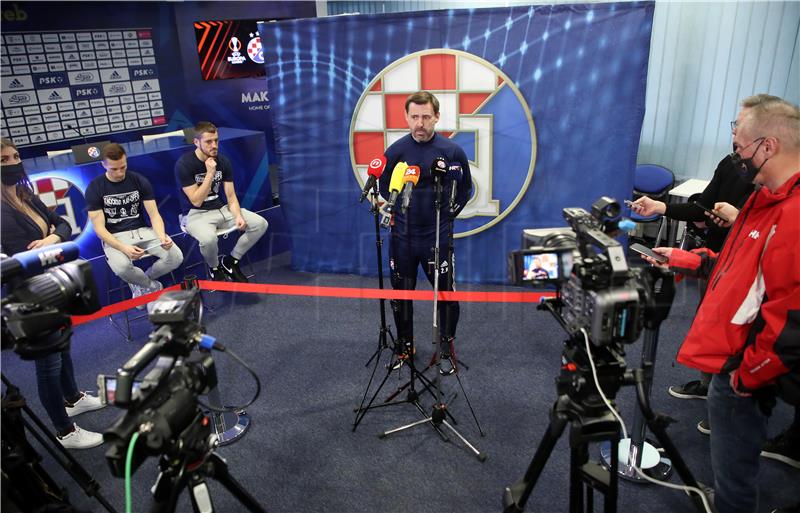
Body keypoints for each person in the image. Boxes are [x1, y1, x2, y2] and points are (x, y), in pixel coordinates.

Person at [643, 96, 800, 513]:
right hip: (732, 364)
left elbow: (791, 319)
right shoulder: (762, 200)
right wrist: (685, 259)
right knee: (733, 466)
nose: (737, 155)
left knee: (735, 469)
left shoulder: (793, 214)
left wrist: (745, 376)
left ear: (767, 146)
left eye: (741, 145)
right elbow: (736, 266)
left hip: (745, 373)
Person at [632, 96, 783, 428]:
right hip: (718, 261)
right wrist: (662, 209)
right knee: (712, 323)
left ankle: (730, 400)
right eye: (735, 128)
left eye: (742, 131)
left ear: (768, 142)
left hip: (749, 288)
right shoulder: (732, 165)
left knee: (743, 339)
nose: (736, 138)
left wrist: (740, 216)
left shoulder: (782, 201)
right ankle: (710, 386)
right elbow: (704, 205)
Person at [0, 137, 105, 449]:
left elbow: (61, 223)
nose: (13, 162)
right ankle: (64, 431)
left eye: (15, 156)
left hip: (52, 282)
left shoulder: (24, 193)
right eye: (4, 159)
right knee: (48, 363)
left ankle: (73, 398)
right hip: (28, 294)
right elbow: (17, 255)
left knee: (62, 345)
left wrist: (49, 240)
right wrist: (50, 240)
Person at [378, 91, 473, 376]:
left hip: (437, 239)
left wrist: (445, 218)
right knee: (401, 295)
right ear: (407, 117)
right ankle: (405, 346)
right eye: (415, 117)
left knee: (446, 295)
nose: (420, 123)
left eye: (426, 117)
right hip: (403, 238)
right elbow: (385, 188)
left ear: (437, 117)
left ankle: (445, 348)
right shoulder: (396, 151)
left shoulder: (452, 151)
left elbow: (465, 189)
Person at [86, 143, 183, 310]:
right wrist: (123, 247)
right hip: (114, 237)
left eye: (123, 167)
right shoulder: (95, 187)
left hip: (142, 232)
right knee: (122, 268)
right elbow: (99, 229)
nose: (119, 173)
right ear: (103, 165)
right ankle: (153, 287)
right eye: (114, 169)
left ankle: (141, 282)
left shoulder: (139, 180)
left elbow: (154, 215)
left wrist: (161, 235)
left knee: (176, 256)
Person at [174, 121, 268, 282]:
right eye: (209, 142)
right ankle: (214, 267)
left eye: (216, 140)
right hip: (195, 214)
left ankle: (230, 261)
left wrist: (238, 215)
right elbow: (196, 201)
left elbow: (231, 196)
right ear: (196, 142)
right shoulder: (184, 164)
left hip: (221, 208)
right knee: (209, 239)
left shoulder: (223, 161)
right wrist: (210, 174)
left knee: (260, 224)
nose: (214, 145)